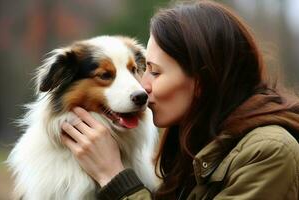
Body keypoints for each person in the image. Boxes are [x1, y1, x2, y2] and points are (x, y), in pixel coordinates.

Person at [61, 0, 299, 199]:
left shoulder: (270, 152)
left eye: (154, 72)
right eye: (143, 70)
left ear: (201, 81)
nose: (142, 85)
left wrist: (113, 176)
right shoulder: (191, 143)